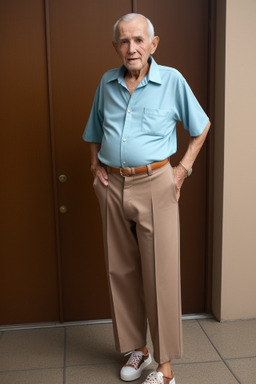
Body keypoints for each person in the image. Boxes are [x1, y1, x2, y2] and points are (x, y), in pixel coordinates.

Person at [83, 13, 211, 384]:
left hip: (156, 184)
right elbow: (94, 128)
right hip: (113, 186)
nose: (131, 48)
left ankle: (166, 368)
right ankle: (136, 348)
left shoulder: (171, 81)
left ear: (153, 45)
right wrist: (94, 166)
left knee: (161, 277)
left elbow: (200, 126)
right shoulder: (106, 83)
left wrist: (182, 169)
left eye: (139, 40)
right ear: (115, 47)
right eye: (124, 41)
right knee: (119, 271)